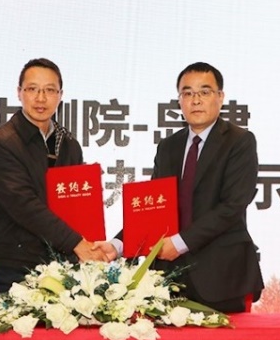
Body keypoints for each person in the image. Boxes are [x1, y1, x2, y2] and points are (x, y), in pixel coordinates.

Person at [97, 62, 263, 313]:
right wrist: (117, 245)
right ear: (180, 101)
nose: (196, 100)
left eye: (204, 92)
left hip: (220, 277)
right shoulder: (168, 147)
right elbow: (152, 209)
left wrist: (179, 242)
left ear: (220, 97)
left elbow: (232, 206)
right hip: (169, 280)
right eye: (187, 93)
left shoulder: (239, 141)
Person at [0, 57, 111, 303]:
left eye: (50, 90)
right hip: (15, 267)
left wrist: (88, 242)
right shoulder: (1, 143)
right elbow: (24, 205)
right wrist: (77, 243)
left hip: (62, 267)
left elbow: (75, 206)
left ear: (60, 95)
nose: (41, 98)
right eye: (32, 89)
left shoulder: (69, 144)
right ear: (19, 93)